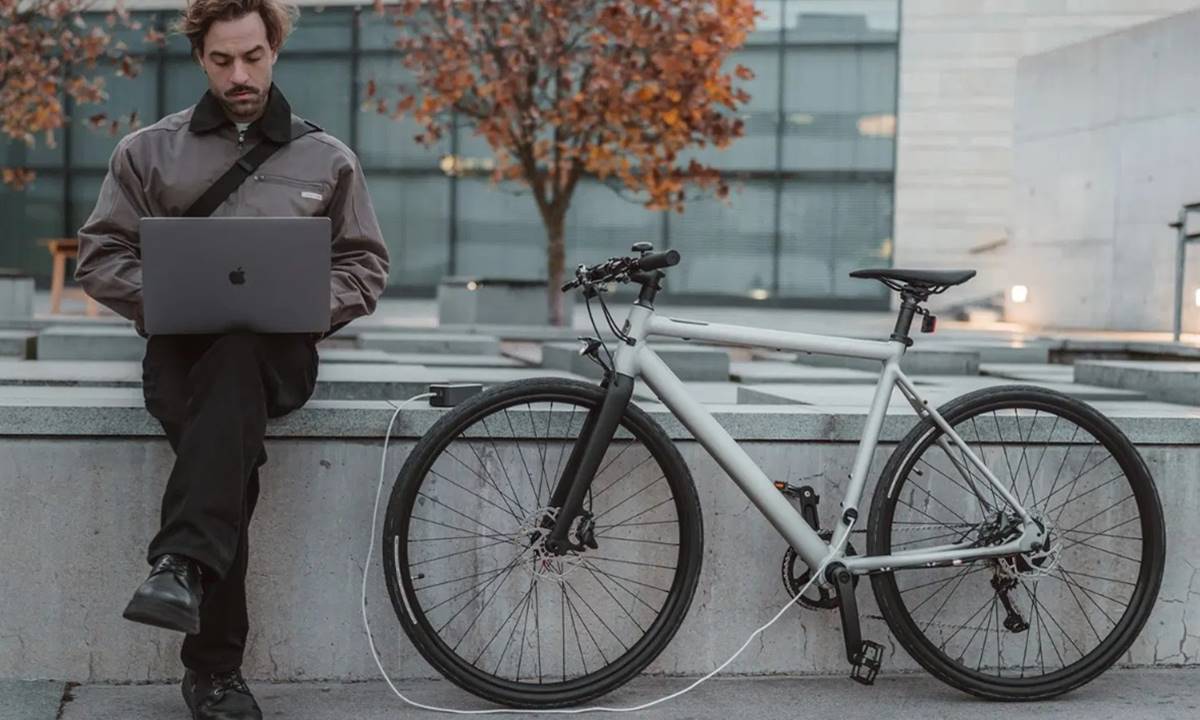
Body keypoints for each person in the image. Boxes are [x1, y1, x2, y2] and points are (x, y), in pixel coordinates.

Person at [74, 1, 389, 718]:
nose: (238, 74)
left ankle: (184, 576)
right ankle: (209, 661)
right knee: (227, 457)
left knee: (241, 363)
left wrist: (303, 302)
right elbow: (101, 255)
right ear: (200, 58)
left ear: (274, 48)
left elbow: (365, 266)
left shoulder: (328, 158)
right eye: (222, 60)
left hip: (278, 357)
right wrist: (165, 298)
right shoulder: (147, 152)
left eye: (251, 56)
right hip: (180, 355)